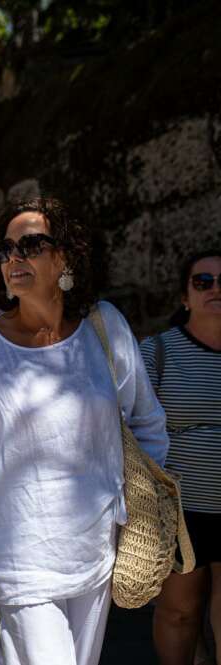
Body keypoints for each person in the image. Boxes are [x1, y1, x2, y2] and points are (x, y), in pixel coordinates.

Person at [0, 197, 169, 665]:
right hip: (19, 556)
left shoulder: (105, 328)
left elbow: (146, 420)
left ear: (65, 258)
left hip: (95, 551)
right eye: (5, 249)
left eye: (31, 244)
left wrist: (133, 498)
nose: (14, 258)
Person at [144, 249, 221, 665]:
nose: (215, 289)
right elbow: (130, 424)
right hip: (181, 509)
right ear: (185, 297)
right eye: (203, 282)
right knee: (179, 612)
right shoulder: (157, 351)